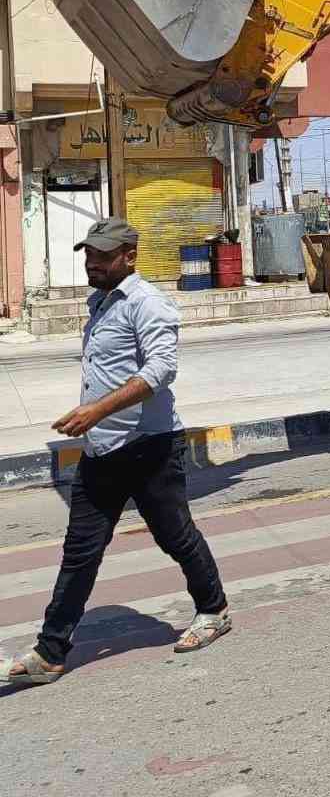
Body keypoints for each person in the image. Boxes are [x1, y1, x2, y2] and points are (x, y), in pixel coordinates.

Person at [1, 218, 230, 686]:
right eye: (89, 254)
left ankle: (214, 610)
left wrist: (96, 410)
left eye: (103, 256)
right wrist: (95, 421)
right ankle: (50, 651)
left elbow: (161, 370)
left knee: (175, 535)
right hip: (103, 448)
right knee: (80, 551)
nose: (92, 263)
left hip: (149, 447)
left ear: (129, 256)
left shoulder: (148, 303)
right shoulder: (101, 302)